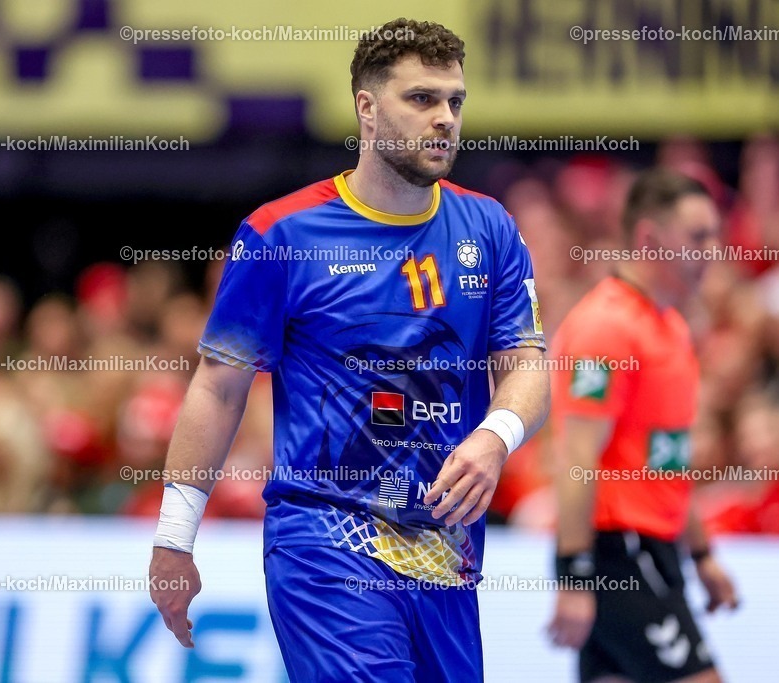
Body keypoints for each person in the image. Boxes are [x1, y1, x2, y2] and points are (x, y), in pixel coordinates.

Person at [149, 18, 549, 682]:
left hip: (445, 554)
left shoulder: (491, 227)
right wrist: (173, 539)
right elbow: (218, 386)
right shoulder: (282, 233)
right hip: (325, 541)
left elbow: (527, 366)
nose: (444, 118)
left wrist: (496, 437)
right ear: (366, 108)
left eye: (455, 101)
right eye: (421, 99)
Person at [548, 169, 740, 683]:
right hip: (619, 554)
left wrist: (702, 556)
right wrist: (573, 576)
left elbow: (669, 459)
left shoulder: (671, 326)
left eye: (716, 234)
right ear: (650, 239)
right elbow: (576, 460)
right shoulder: (605, 327)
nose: (713, 249)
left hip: (657, 550)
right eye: (698, 236)